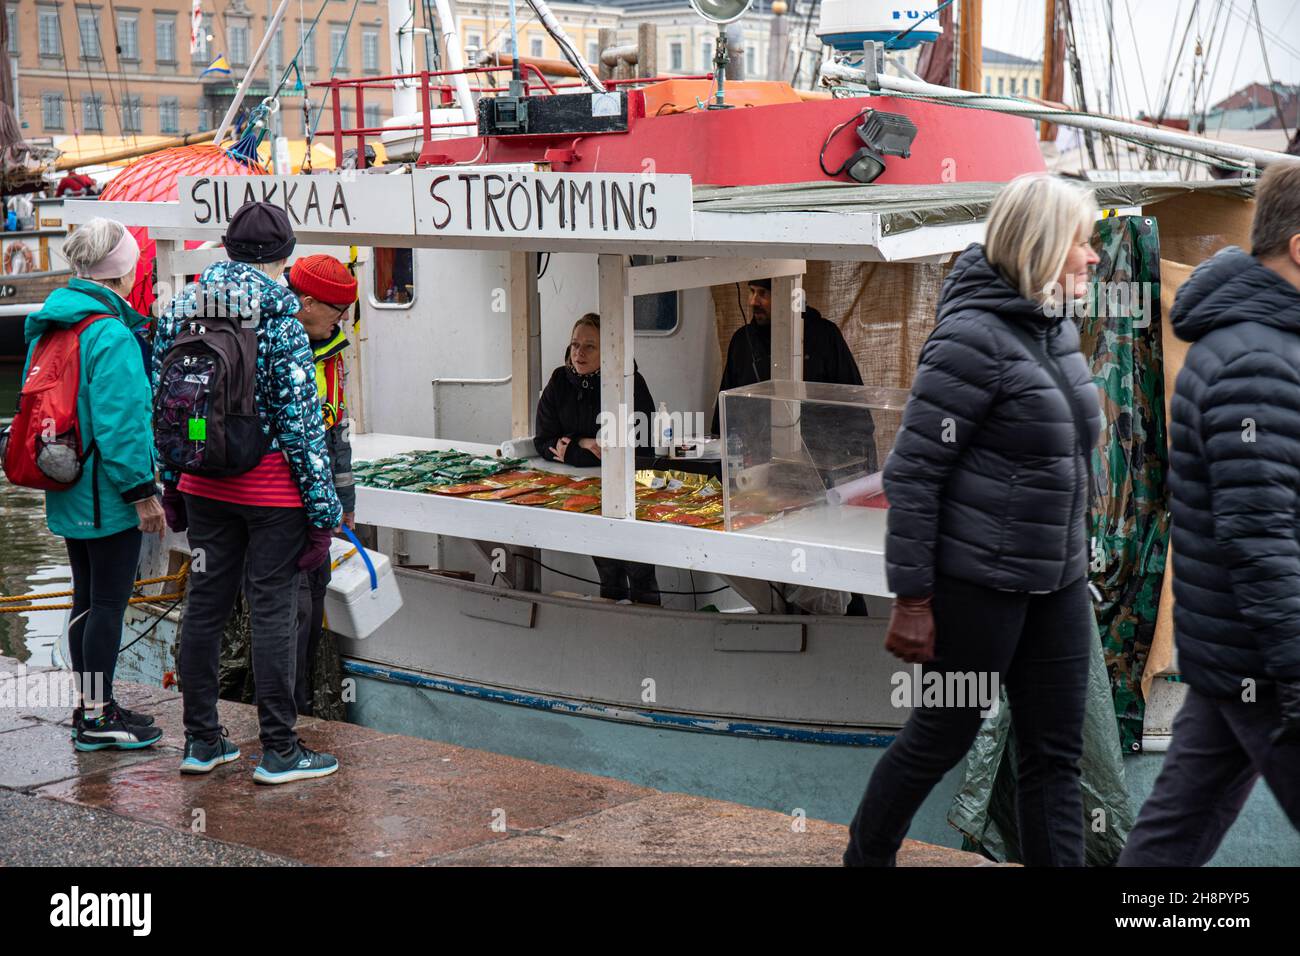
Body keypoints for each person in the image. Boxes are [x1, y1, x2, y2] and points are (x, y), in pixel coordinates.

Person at [843, 173, 1102, 867]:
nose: (1094, 256)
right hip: (978, 585)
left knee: (1055, 757)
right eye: (1083, 240)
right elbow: (915, 474)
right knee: (942, 734)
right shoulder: (971, 339)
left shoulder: (1056, 331)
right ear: (1046, 247)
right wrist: (914, 598)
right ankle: (865, 859)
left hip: (1058, 582)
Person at [1118, 162, 1300, 866]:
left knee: (1173, 837)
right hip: (1266, 655)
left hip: (1237, 653)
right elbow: (1260, 535)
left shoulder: (1256, 343)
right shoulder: (1255, 358)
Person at [152, 201, 343, 784]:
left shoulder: (179, 309)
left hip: (204, 484)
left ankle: (202, 740)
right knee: (273, 611)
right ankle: (281, 751)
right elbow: (302, 427)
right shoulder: (282, 322)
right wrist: (323, 514)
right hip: (272, 499)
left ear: (227, 249)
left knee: (204, 608)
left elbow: (164, 408)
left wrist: (173, 482)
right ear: (283, 258)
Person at [21, 218, 164, 750]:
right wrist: (141, 494)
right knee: (108, 603)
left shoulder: (51, 326)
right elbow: (122, 423)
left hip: (65, 484)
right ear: (124, 272)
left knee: (86, 599)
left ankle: (92, 706)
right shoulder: (112, 334)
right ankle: (99, 720)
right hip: (106, 491)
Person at [536, 312, 661, 605]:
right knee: (608, 573)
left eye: (590, 346)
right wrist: (582, 443)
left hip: (630, 495)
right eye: (575, 344)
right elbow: (543, 439)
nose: (579, 353)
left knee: (640, 574)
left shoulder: (630, 384)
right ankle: (611, 637)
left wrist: (572, 449)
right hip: (587, 496)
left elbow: (635, 448)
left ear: (609, 350)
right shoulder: (559, 381)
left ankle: (650, 636)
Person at [286, 254, 358, 716]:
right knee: (291, 609)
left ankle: (302, 705)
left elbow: (338, 431)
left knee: (313, 596)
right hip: (281, 504)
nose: (343, 321)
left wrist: (345, 500)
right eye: (338, 311)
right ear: (308, 303)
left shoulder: (331, 353)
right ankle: (285, 718)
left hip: (317, 507)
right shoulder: (276, 346)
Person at [710, 279, 864, 436]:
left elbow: (855, 406)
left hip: (818, 453)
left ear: (787, 296)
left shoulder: (824, 336)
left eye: (763, 294)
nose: (752, 302)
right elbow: (725, 416)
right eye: (751, 291)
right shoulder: (742, 340)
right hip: (756, 454)